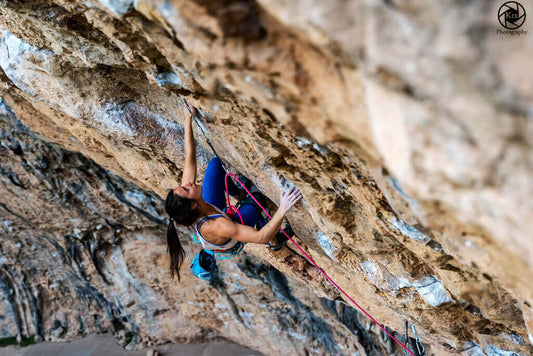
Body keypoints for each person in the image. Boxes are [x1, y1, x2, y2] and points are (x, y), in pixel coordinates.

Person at [165, 104, 302, 281]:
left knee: (215, 165)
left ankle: (240, 195)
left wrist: (187, 120)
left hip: (211, 210)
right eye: (186, 189)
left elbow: (189, 157)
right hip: (229, 228)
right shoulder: (220, 226)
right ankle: (276, 242)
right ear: (192, 204)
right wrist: (283, 208)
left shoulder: (191, 205)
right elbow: (260, 237)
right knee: (257, 201)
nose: (188, 184)